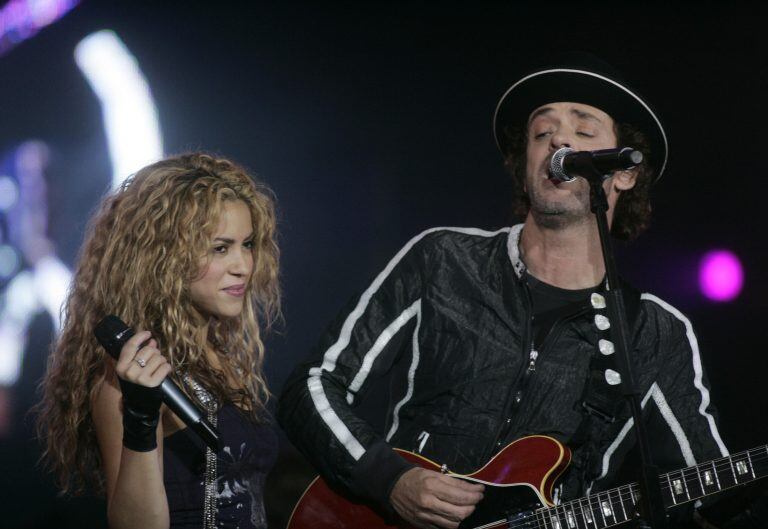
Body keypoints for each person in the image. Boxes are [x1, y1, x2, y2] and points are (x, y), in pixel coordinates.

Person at [277, 55, 729, 529]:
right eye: (541, 133)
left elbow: (716, 492)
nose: (558, 139)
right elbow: (310, 387)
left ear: (625, 173)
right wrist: (390, 480)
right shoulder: (444, 260)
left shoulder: (655, 331)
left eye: (585, 130)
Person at [35, 153, 281, 529]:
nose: (243, 266)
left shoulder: (222, 357)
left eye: (247, 245)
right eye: (220, 248)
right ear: (166, 257)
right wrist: (141, 417)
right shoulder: (131, 375)